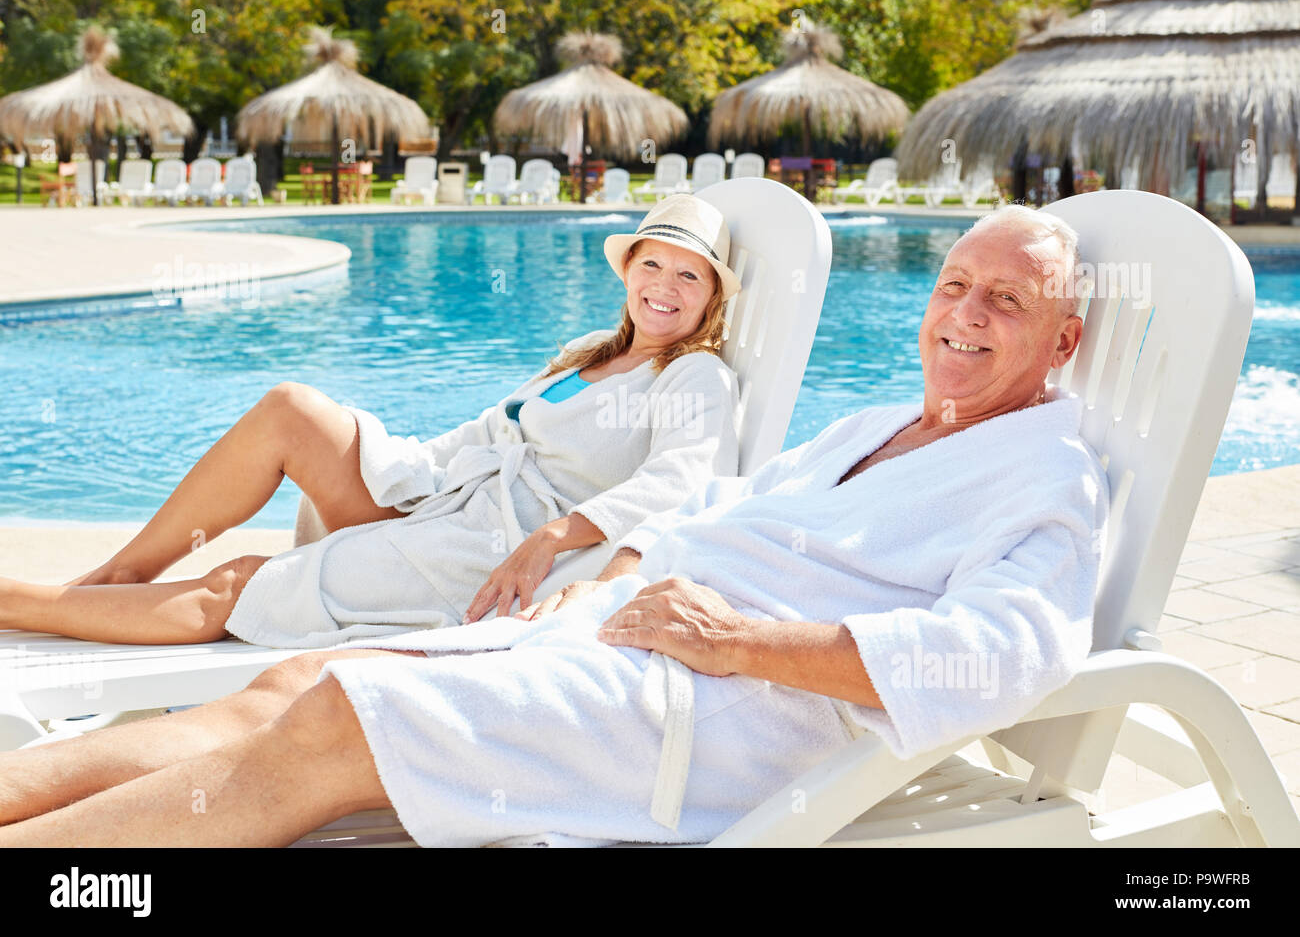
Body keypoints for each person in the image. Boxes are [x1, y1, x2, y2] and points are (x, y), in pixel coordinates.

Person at [0, 204, 1109, 847]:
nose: (961, 315)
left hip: (715, 706)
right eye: (953, 285)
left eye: (1003, 302)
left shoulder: (1045, 474)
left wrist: (738, 643)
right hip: (613, 627)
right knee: (285, 686)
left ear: (1061, 344)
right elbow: (717, 507)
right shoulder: (875, 424)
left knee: (338, 713)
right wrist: (609, 571)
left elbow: (1004, 649)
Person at [0, 195, 743, 647]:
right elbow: (489, 433)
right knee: (291, 410)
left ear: (711, 297)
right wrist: (398, 468)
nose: (665, 287)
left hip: (483, 544)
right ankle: (121, 576)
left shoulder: (692, 375)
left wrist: (555, 536)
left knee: (240, 586)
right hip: (443, 492)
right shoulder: (589, 355)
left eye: (690, 275)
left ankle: (17, 603)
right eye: (654, 264)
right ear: (629, 271)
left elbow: (682, 481)